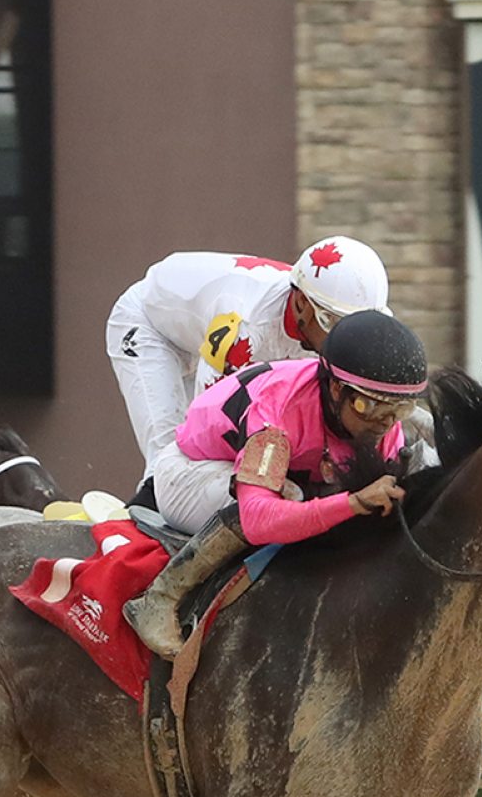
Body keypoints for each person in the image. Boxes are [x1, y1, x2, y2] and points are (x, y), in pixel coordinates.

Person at [124, 310, 428, 657]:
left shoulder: (381, 424)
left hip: (267, 474)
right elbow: (256, 517)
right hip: (190, 474)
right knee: (290, 496)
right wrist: (352, 503)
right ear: (335, 387)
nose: (382, 425)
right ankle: (159, 599)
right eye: (368, 406)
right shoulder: (278, 412)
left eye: (398, 410)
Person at [107, 236, 392, 495]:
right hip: (149, 329)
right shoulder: (246, 324)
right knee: (171, 459)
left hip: (195, 327)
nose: (348, 342)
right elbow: (208, 418)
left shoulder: (309, 311)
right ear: (303, 303)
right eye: (336, 325)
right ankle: (145, 532)